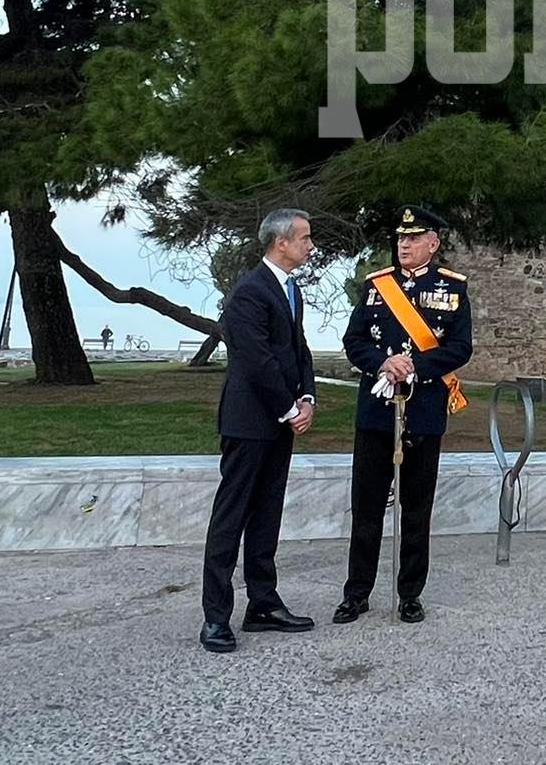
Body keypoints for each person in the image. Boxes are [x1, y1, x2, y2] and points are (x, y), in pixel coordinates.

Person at [335, 205, 473, 625]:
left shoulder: (453, 289)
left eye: (413, 239)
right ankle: (357, 593)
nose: (404, 245)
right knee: (367, 505)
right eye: (400, 239)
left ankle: (410, 593)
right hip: (377, 411)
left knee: (416, 507)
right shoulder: (377, 286)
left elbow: (459, 347)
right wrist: (382, 362)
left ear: (433, 243)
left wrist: (414, 367)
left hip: (425, 409)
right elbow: (353, 339)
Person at [200, 207, 319, 653]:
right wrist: (289, 408)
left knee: (268, 514)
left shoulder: (290, 290)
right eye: (304, 238)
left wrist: (307, 398)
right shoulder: (249, 292)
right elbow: (255, 361)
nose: (310, 246)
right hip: (250, 423)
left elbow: (297, 350)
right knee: (231, 518)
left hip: (282, 419)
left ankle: (263, 603)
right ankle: (215, 616)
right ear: (280, 243)